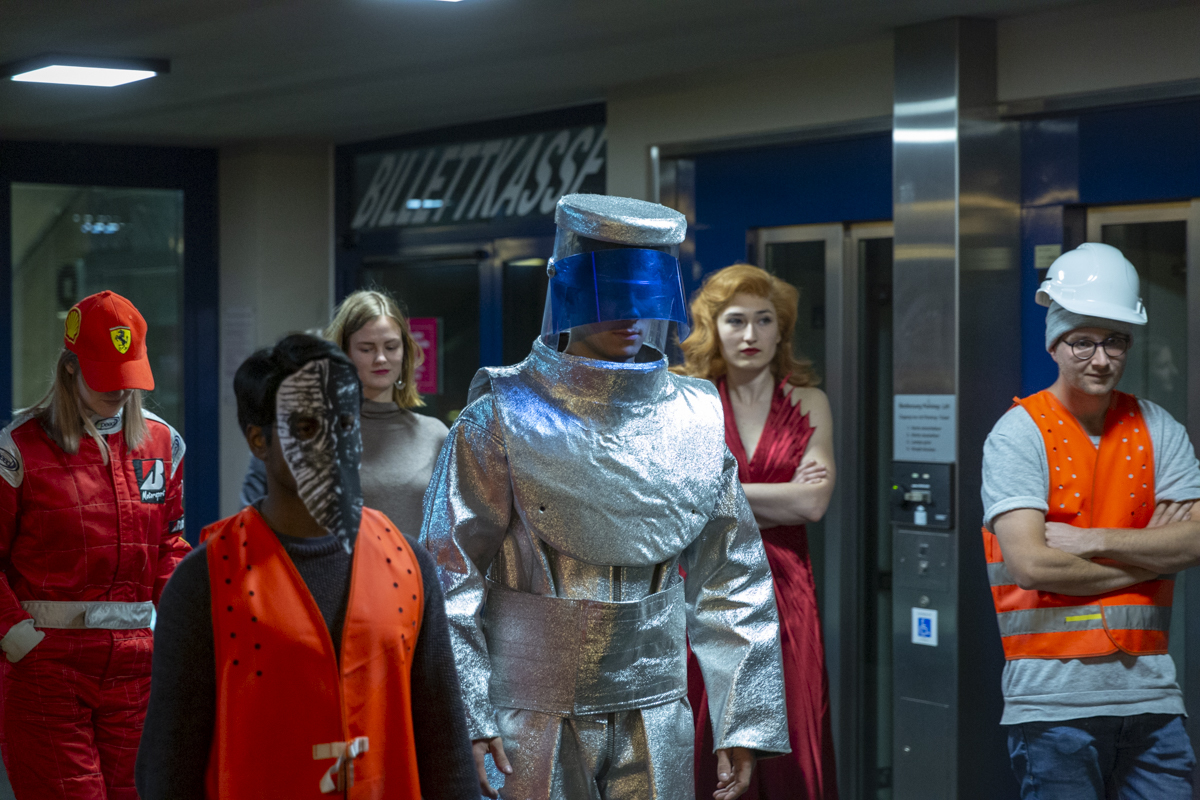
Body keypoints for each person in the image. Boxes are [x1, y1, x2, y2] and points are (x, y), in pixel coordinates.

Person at [421, 194, 790, 800]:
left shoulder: (694, 417)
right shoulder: (500, 417)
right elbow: (448, 572)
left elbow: (733, 573)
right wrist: (469, 711)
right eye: (612, 293)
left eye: (648, 293)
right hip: (529, 720)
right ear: (569, 290)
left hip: (657, 715)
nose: (632, 314)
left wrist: (743, 718)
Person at [135, 334, 477, 799]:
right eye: (306, 426)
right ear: (260, 441)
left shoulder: (409, 565)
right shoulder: (204, 581)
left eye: (344, 422)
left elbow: (445, 749)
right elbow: (168, 769)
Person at [981, 242, 1200, 799]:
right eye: (1082, 341)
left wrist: (1090, 540)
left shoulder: (1160, 428)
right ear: (1054, 345)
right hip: (1051, 706)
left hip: (1154, 699)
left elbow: (1196, 541)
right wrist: (1151, 558)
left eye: (1115, 341)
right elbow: (1031, 565)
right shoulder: (1019, 434)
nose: (1100, 359)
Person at [0, 290, 188, 799]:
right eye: (106, 377)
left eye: (129, 377)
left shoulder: (163, 444)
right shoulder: (19, 449)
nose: (120, 391)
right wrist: (18, 639)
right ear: (70, 369)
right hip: (48, 668)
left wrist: (186, 629)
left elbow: (168, 545)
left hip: (139, 670)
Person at [678, 263, 838, 800]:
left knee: (794, 727)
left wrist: (719, 495)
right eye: (736, 320)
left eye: (764, 320)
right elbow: (679, 500)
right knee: (704, 725)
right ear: (713, 328)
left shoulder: (809, 401)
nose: (751, 334)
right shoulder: (688, 401)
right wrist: (779, 498)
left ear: (781, 329)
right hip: (706, 587)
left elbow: (813, 503)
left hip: (787, 590)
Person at [241, 290, 448, 538]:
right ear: (343, 353)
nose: (381, 358)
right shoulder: (308, 430)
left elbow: (454, 533)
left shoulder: (436, 435)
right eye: (366, 349)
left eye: (391, 347)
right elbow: (254, 517)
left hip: (413, 563)